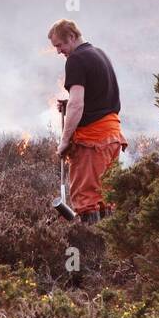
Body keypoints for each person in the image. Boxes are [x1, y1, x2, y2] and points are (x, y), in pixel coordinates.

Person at [48, 19, 126, 223]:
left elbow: (77, 104)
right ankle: (113, 248)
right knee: (106, 196)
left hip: (92, 142)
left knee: (87, 199)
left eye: (59, 45)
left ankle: (92, 250)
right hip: (112, 137)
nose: (58, 51)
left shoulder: (76, 60)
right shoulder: (99, 54)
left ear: (72, 37)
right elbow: (97, 96)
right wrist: (69, 103)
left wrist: (65, 141)